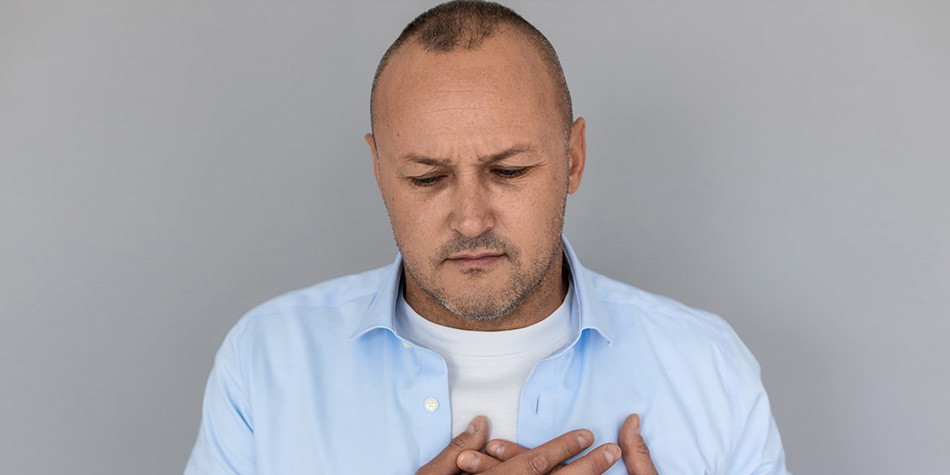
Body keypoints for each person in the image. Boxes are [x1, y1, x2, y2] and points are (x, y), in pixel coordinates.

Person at [184, 1, 789, 474]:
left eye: (509, 171)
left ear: (573, 159)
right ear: (378, 171)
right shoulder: (266, 363)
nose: (471, 220)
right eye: (427, 177)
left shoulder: (709, 366)